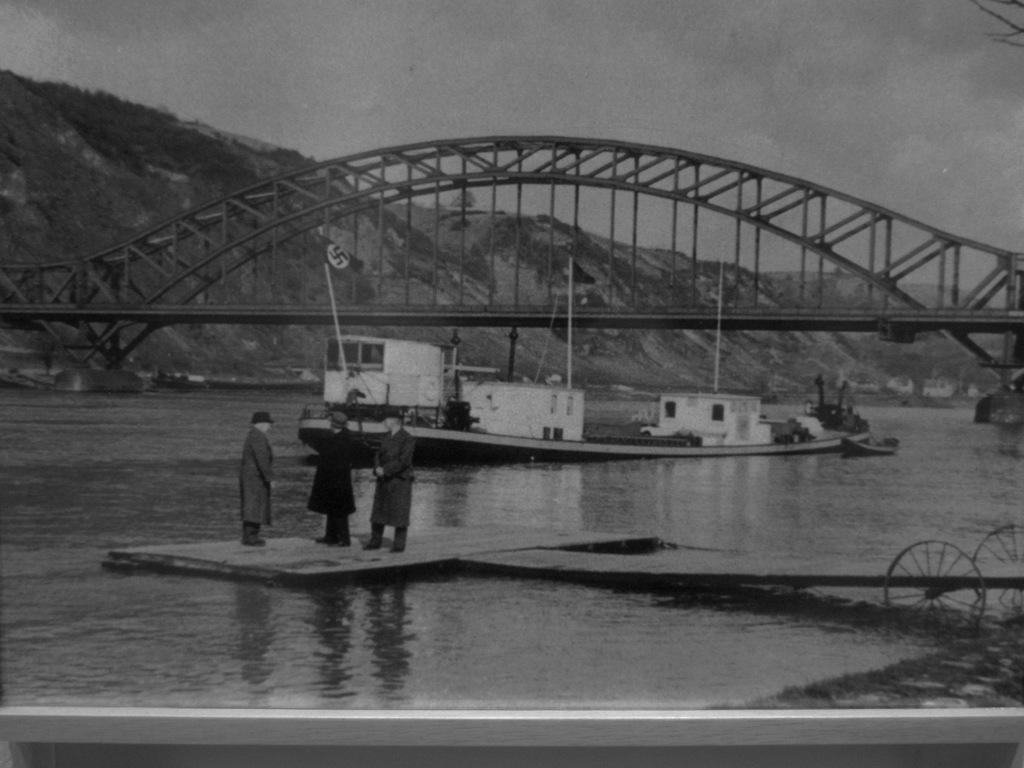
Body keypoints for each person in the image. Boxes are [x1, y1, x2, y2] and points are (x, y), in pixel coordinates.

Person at [365, 413, 415, 553]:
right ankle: (375, 541)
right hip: (383, 480)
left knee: (400, 513)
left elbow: (404, 461)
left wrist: (385, 469)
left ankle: (399, 545)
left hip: (399, 481)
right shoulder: (385, 437)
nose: (383, 421)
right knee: (378, 512)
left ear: (395, 421)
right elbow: (377, 455)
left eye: (386, 419)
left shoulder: (408, 439)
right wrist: (377, 468)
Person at [307, 411, 357, 546]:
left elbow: (332, 456)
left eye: (330, 422)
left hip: (337, 479)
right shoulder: (343, 436)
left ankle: (344, 539)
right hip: (335, 479)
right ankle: (331, 536)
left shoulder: (341, 439)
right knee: (332, 508)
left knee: (339, 510)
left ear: (334, 424)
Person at [239, 410, 274, 546]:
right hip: (256, 478)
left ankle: (248, 535)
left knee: (250, 505)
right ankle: (251, 537)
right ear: (261, 424)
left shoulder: (252, 434)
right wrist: (270, 478)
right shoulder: (259, 437)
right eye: (268, 424)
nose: (269, 427)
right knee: (255, 506)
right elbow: (262, 459)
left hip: (250, 477)